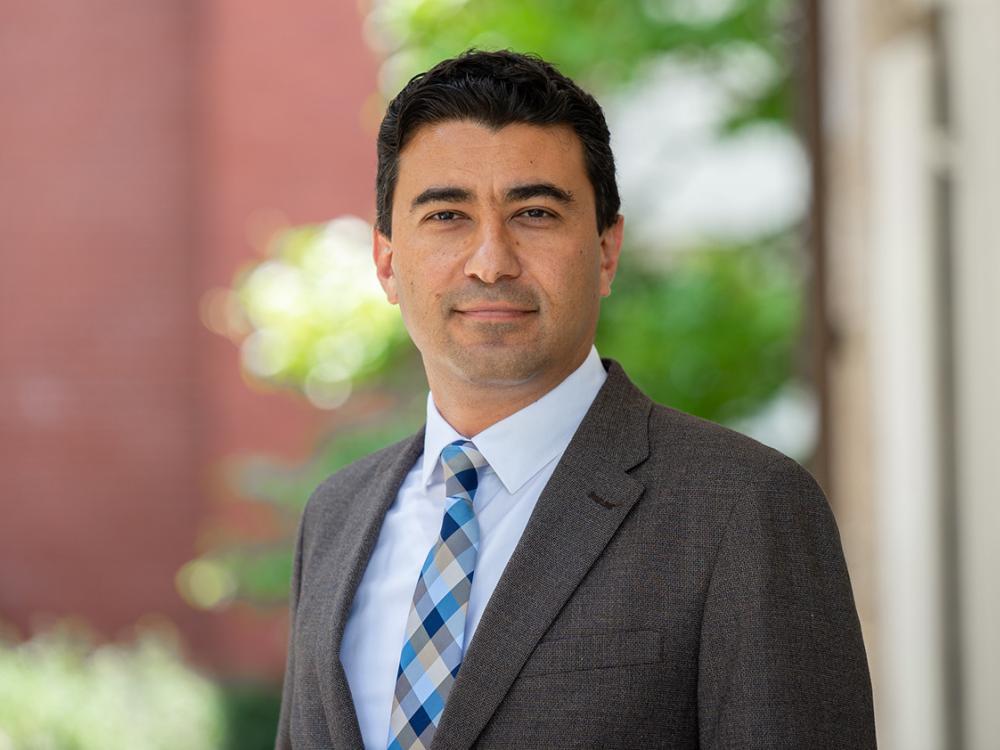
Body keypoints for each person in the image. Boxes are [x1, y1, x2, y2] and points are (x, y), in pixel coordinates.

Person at [275, 49, 876, 750]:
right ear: (386, 262)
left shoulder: (744, 507)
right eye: (447, 215)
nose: (491, 260)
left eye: (534, 212)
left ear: (607, 252)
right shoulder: (336, 516)